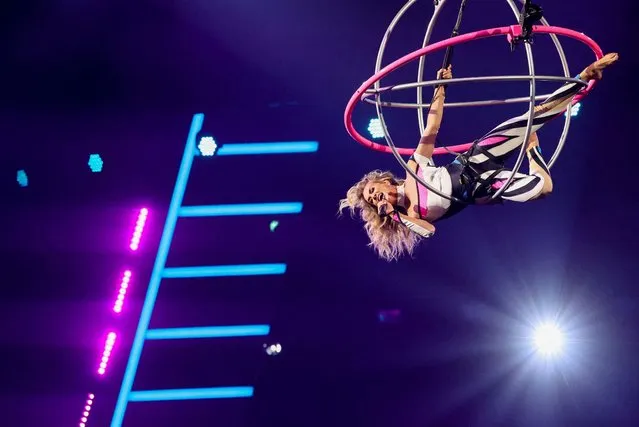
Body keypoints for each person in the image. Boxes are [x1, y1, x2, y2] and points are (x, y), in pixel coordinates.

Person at [339, 53, 619, 261]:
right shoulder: (412, 214)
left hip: (473, 159)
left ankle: (583, 76)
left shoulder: (414, 168)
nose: (375, 197)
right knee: (543, 188)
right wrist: (396, 217)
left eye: (374, 190)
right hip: (481, 186)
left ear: (386, 181)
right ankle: (533, 150)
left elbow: (431, 128)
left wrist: (440, 88)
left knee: (531, 118)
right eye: (372, 199)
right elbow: (428, 232)